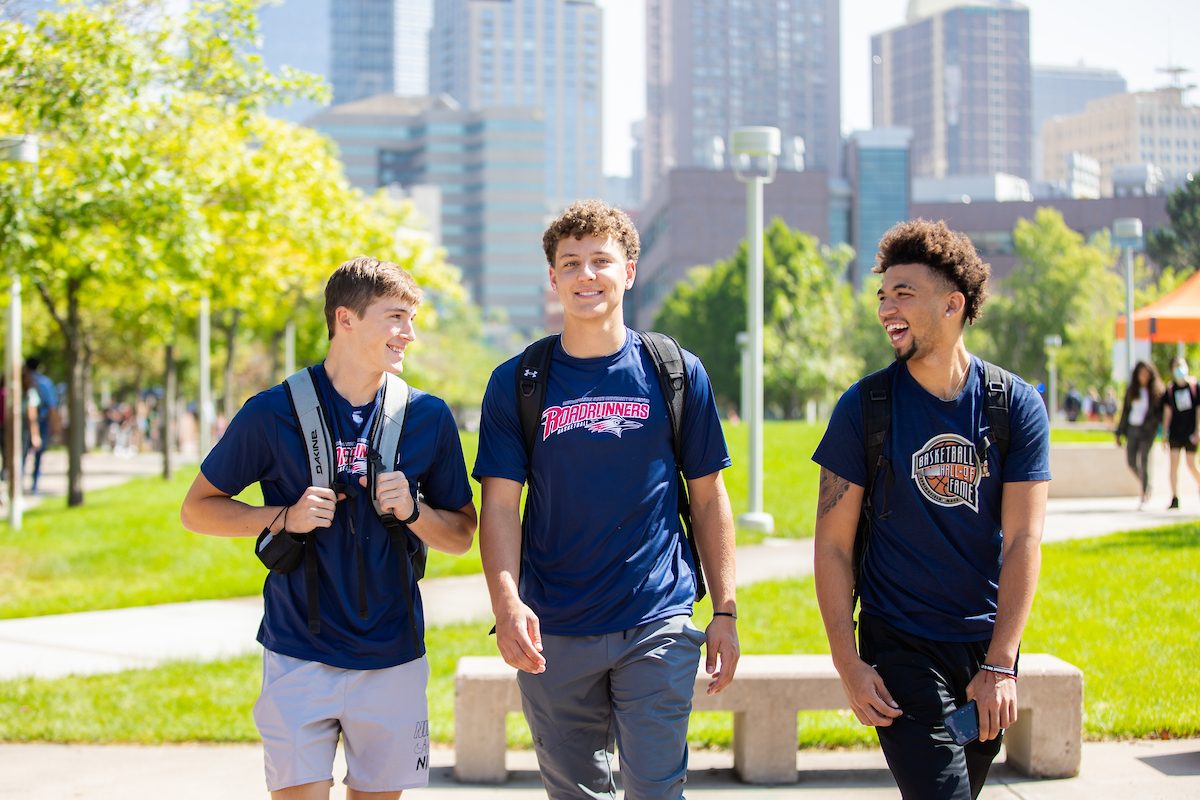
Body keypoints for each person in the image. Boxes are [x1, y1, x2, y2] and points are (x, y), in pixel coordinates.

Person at [180, 256, 477, 800]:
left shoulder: (428, 417)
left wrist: (414, 512)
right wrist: (282, 517)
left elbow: (461, 534)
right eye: (395, 318)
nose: (408, 334)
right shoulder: (271, 412)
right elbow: (197, 509)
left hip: (393, 656)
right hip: (298, 652)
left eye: (411, 320)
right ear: (346, 318)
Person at [473, 199, 739, 800]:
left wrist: (724, 608)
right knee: (577, 793)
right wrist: (507, 602)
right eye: (570, 263)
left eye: (600, 260)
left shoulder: (674, 371)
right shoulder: (518, 381)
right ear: (553, 278)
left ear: (629, 271)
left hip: (657, 619)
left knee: (656, 788)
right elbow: (499, 507)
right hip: (553, 627)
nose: (586, 275)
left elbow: (707, 496)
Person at [811, 219, 1051, 800]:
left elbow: (1024, 541)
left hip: (983, 646)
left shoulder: (1012, 405)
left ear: (953, 305)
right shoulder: (864, 408)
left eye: (904, 294)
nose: (886, 308)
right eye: (883, 295)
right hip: (900, 645)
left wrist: (1000, 664)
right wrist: (848, 661)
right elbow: (833, 545)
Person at [1116, 361, 1164, 509]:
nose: (1144, 376)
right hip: (1132, 429)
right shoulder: (1132, 390)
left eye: (1146, 374)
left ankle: (1143, 495)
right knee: (1131, 462)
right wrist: (1119, 432)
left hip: (1147, 431)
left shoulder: (1155, 391)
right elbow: (1125, 412)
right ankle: (1147, 484)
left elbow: (1158, 414)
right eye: (1141, 373)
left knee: (1144, 461)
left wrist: (1152, 427)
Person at [1160, 355, 1200, 510]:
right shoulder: (1170, 390)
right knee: (1173, 465)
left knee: (1191, 464)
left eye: (1181, 365)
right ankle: (1175, 497)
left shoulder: (1195, 387)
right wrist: (1164, 433)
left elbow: (1198, 410)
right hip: (1175, 433)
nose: (1179, 369)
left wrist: (1198, 430)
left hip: (1190, 432)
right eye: (1176, 366)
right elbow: (1167, 413)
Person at [23, 357, 58, 494]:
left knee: (22, 453)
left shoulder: (22, 380)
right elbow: (52, 406)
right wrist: (55, 426)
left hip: (25, 421)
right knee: (38, 454)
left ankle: (18, 483)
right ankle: (34, 485)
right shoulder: (44, 382)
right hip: (40, 420)